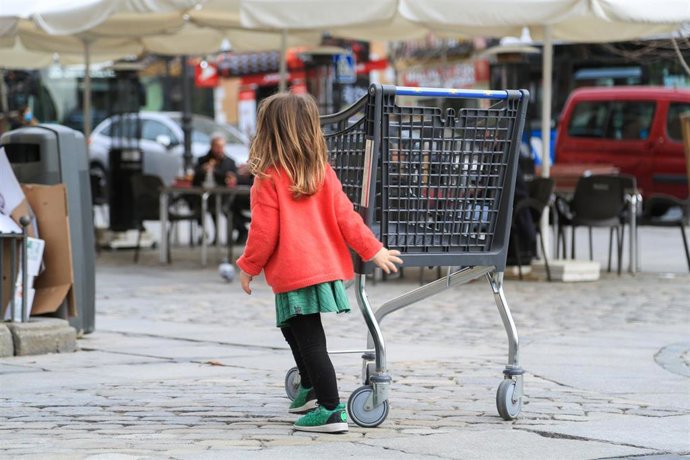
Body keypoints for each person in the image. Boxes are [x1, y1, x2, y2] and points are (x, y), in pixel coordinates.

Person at [236, 93, 402, 434]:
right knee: (290, 326)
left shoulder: (268, 178)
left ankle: (330, 409)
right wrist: (373, 250)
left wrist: (248, 266)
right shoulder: (322, 172)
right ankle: (310, 387)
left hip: (296, 271)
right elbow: (347, 218)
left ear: (269, 132)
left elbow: (263, 233)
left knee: (311, 340)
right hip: (320, 269)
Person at [192, 134, 250, 243]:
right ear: (211, 146)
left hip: (225, 196)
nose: (219, 150)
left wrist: (215, 171)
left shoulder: (229, 162)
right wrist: (202, 170)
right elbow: (194, 178)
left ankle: (240, 231)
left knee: (228, 207)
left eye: (221, 147)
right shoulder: (202, 160)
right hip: (206, 195)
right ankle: (203, 232)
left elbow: (232, 177)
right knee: (197, 203)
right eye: (216, 146)